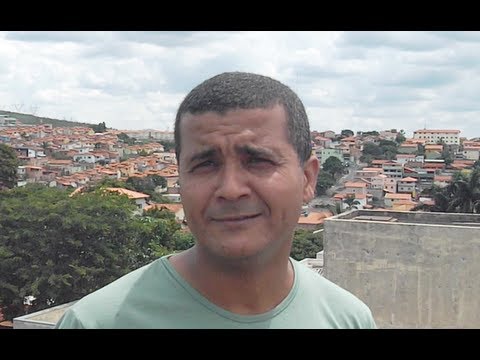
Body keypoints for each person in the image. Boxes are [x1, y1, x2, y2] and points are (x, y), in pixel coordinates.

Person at [55, 71, 376, 329]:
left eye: (258, 161)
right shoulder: (97, 322)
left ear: (307, 179)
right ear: (180, 179)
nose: (231, 188)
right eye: (206, 164)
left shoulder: (347, 319)